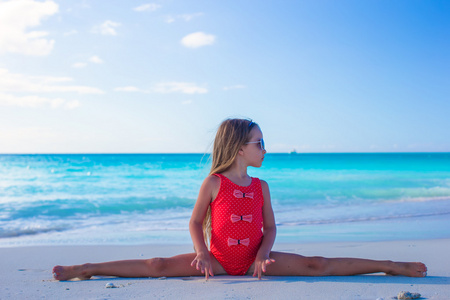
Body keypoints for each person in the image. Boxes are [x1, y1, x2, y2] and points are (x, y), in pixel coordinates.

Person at [53, 118, 427, 281]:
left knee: (318, 263)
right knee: (157, 263)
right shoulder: (214, 182)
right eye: (259, 143)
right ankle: (88, 268)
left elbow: (271, 227)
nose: (265, 148)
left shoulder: (261, 186)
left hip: (256, 264)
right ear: (238, 148)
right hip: (214, 260)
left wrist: (264, 254)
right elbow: (194, 222)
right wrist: (200, 252)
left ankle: (389, 265)